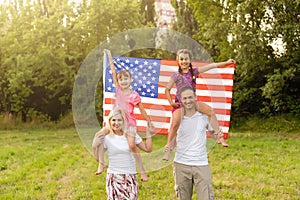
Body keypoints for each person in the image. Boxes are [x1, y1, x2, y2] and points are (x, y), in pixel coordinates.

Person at [163, 49, 235, 160]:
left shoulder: (194, 72)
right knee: (175, 124)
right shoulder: (176, 75)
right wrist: (171, 103)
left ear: (190, 60)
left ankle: (220, 137)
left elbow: (212, 66)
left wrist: (226, 63)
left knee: (210, 111)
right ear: (178, 61)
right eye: (181, 59)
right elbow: (167, 90)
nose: (184, 61)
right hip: (180, 104)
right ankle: (168, 149)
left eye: (186, 59)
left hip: (192, 103)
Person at [93, 49, 154, 182]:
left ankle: (142, 171)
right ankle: (101, 163)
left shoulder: (134, 95)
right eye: (121, 80)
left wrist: (148, 121)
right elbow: (114, 72)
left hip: (129, 123)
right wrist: (109, 56)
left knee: (132, 145)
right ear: (118, 82)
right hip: (115, 122)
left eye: (126, 79)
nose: (123, 81)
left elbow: (142, 110)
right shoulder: (118, 90)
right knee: (99, 137)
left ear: (131, 80)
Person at [168, 86, 221, 200]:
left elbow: (213, 132)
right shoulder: (176, 117)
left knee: (206, 196)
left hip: (201, 164)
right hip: (181, 164)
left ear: (195, 98)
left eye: (190, 97)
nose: (188, 101)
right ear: (181, 100)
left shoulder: (204, 116)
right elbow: (173, 136)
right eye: (185, 98)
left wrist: (219, 137)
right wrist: (169, 149)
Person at [92, 108, 152, 200]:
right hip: (114, 176)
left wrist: (148, 133)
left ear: (124, 121)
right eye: (113, 120)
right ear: (109, 121)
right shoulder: (107, 138)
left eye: (119, 120)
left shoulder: (130, 135)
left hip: (130, 176)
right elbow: (97, 158)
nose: (116, 123)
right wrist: (94, 146)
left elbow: (148, 149)